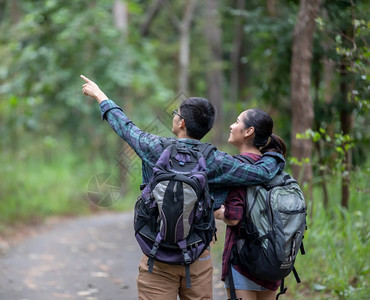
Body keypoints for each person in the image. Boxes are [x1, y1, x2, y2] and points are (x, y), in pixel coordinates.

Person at [80, 75, 285, 300]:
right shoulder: (215, 161)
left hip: (155, 259)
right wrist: (274, 155)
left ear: (181, 123)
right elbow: (260, 172)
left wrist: (100, 95)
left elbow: (125, 128)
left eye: (176, 113)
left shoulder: (154, 148)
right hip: (197, 260)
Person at [214, 108, 286, 300]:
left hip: (242, 260)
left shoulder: (238, 167)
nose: (232, 125)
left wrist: (219, 212)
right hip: (271, 258)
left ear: (249, 131)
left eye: (237, 121)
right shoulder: (272, 165)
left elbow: (234, 217)